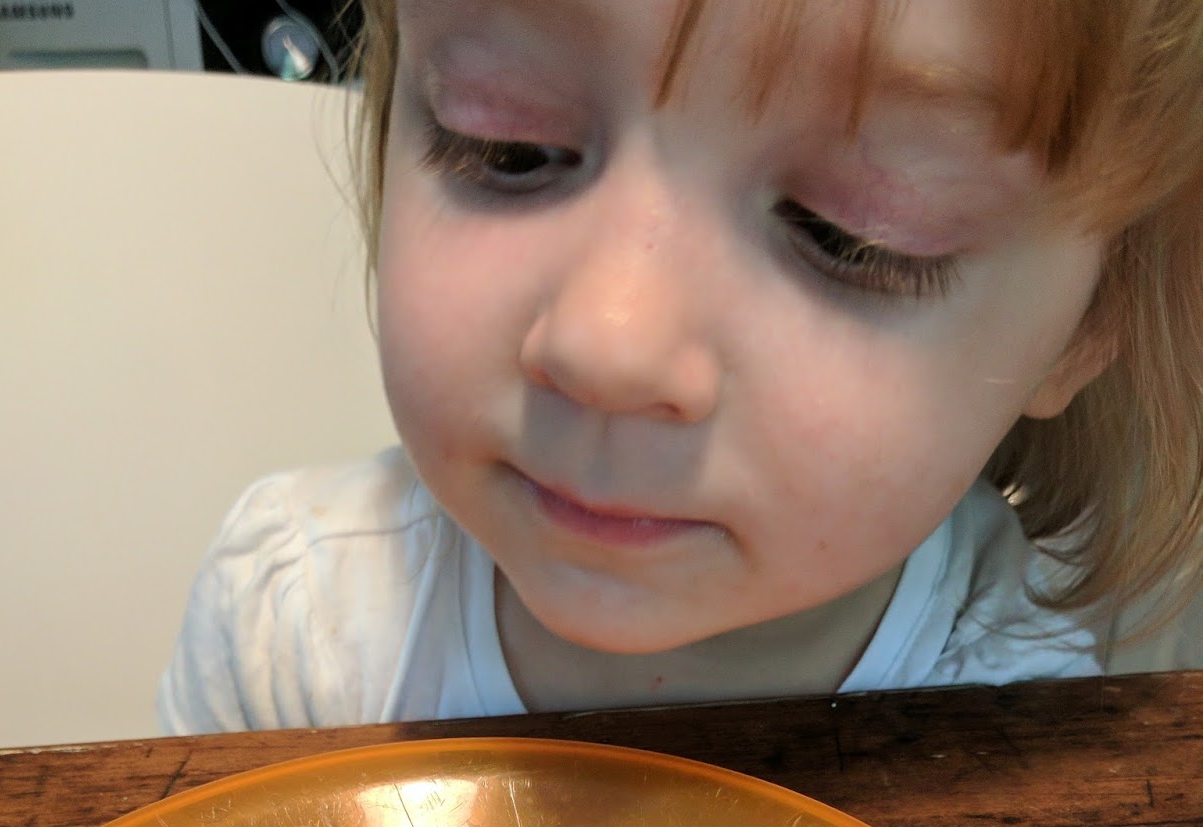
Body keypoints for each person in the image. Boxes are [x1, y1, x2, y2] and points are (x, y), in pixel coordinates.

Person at [158, 0, 1203, 735]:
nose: (608, 343)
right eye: (507, 144)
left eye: (845, 234)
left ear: (1086, 323)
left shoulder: (1018, 726)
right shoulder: (291, 629)